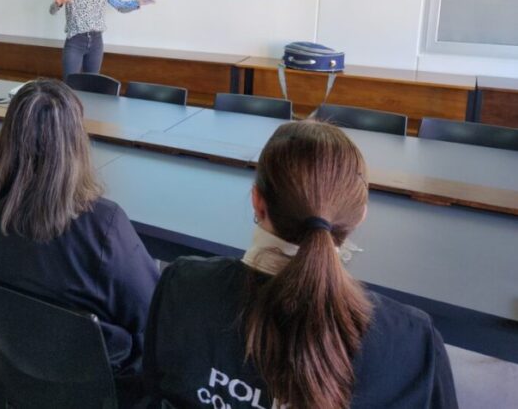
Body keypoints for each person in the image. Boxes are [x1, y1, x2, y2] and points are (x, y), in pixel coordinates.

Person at [142, 121, 457, 409]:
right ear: (360, 215)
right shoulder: (412, 343)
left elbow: (155, 392)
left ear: (257, 201)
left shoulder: (180, 287)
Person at [0, 79, 159, 375]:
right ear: (76, 141)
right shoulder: (103, 224)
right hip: (86, 377)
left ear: (7, 135)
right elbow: (150, 312)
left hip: (2, 355)